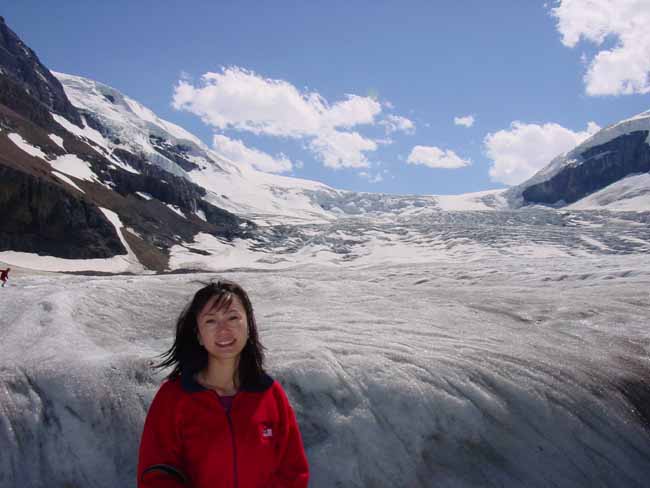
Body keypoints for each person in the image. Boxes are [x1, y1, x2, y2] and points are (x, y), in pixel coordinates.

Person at [137, 280, 309, 488]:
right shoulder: (174, 398)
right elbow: (155, 474)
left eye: (233, 317)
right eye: (211, 321)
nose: (224, 330)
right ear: (199, 334)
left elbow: (293, 472)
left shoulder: (270, 394)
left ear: (248, 325)